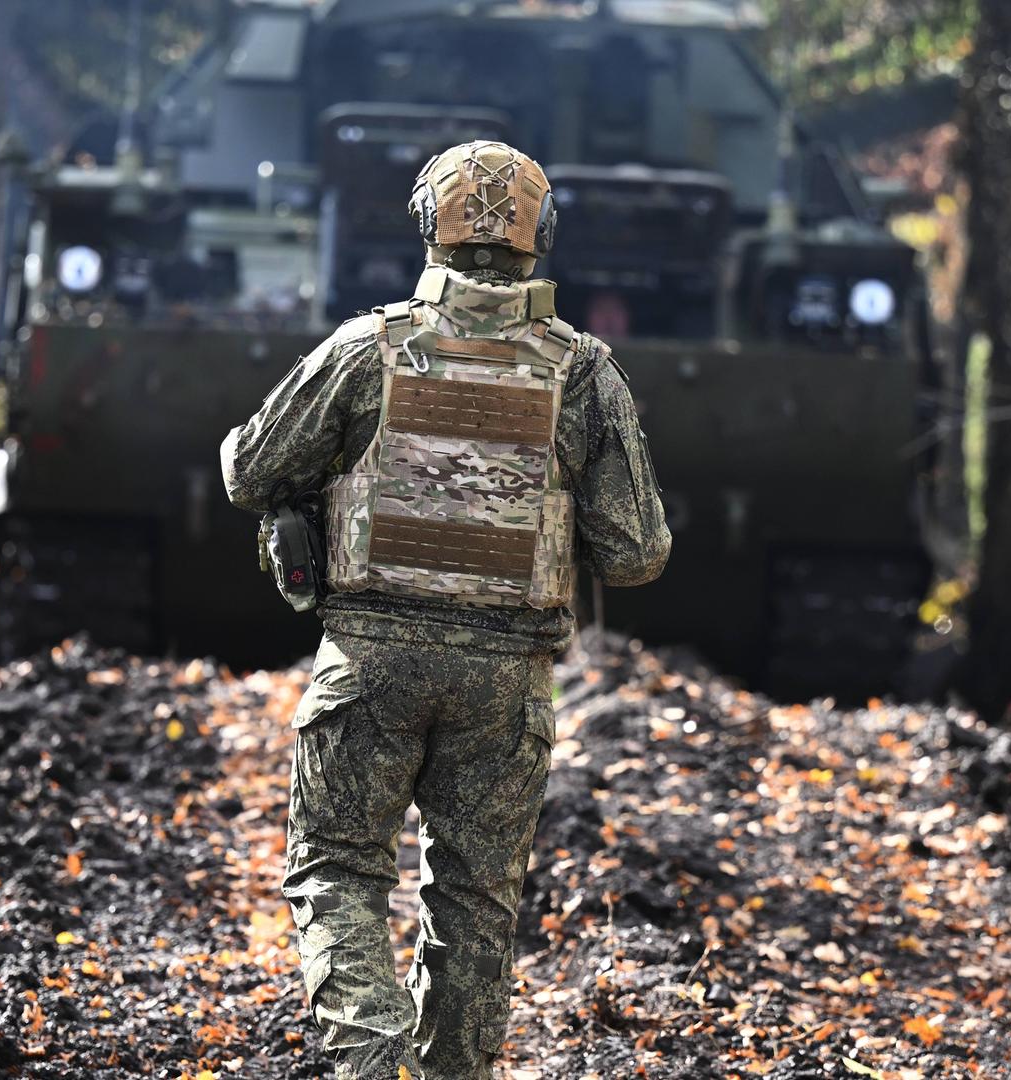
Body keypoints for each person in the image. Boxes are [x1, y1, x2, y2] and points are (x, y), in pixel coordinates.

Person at [220, 140, 671, 1079]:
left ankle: (371, 1052)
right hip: (506, 683)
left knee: (338, 870)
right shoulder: (582, 371)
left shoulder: (366, 349)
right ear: (539, 237)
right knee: (474, 904)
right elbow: (635, 554)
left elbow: (251, 471)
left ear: (427, 224)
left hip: (371, 661)